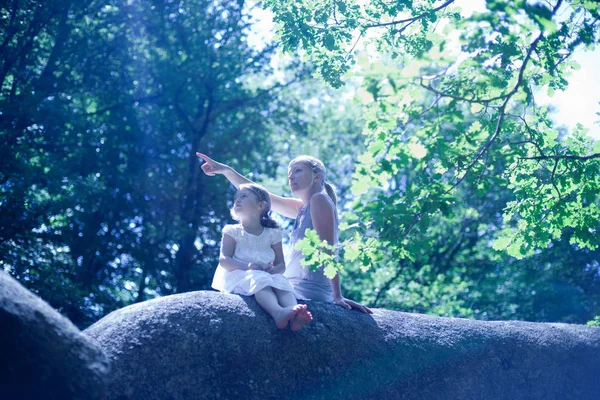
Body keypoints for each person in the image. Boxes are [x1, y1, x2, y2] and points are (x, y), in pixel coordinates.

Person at [197, 152, 372, 314]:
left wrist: (337, 296)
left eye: (297, 171)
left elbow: (328, 250)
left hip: (307, 289)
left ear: (316, 177)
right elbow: (261, 196)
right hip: (293, 285)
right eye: (289, 173)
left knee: (253, 284)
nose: (291, 176)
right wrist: (226, 170)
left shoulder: (319, 199)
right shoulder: (302, 208)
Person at [213, 183, 313, 331]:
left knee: (282, 283)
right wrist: (247, 267)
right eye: (236, 198)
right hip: (239, 275)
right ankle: (278, 312)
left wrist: (272, 271)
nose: (237, 200)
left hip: (265, 275)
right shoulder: (232, 231)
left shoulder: (272, 233)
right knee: (260, 281)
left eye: (244, 196)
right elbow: (224, 260)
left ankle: (294, 314)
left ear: (260, 206)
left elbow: (281, 264)